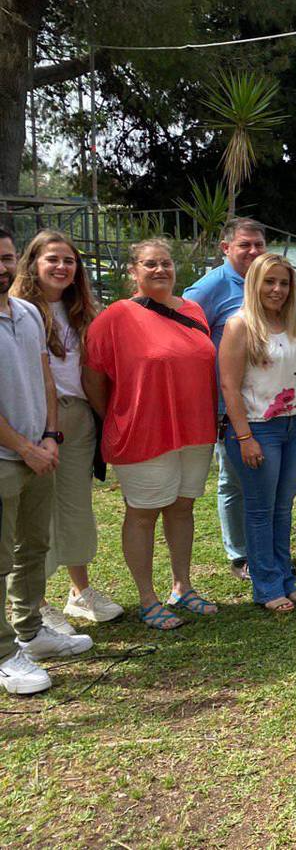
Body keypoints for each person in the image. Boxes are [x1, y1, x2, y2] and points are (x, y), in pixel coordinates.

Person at [84, 238, 219, 631]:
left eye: (165, 263)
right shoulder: (115, 317)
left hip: (194, 428)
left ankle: (183, 586)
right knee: (142, 514)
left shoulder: (192, 309)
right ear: (133, 271)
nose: (160, 270)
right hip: (143, 430)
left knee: (182, 507)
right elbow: (94, 376)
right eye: (150, 264)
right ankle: (148, 598)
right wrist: (115, 413)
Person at [11, 231, 122, 631]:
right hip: (34, 420)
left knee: (76, 506)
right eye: (52, 259)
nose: (61, 267)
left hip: (77, 417)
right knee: (34, 514)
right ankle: (35, 601)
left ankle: (80, 592)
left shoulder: (85, 312)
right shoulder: (19, 311)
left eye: (69, 261)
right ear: (33, 263)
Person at [1, 227, 90, 695]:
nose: (2, 266)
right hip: (10, 450)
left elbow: (45, 381)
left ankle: (30, 633)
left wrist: (50, 436)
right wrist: (25, 445)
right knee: (3, 553)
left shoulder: (26, 314)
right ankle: (4, 652)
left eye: (6, 256)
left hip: (44, 441)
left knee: (32, 543)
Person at [219, 253, 296, 612]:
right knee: (260, 510)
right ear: (254, 284)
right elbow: (229, 386)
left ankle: (285, 576)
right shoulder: (240, 325)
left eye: (284, 283)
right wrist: (244, 437)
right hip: (259, 428)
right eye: (269, 282)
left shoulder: (293, 326)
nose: (277, 289)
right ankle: (267, 584)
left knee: (283, 508)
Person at [183, 217, 266, 581]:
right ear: (225, 248)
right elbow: (182, 334)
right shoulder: (209, 288)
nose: (252, 251)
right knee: (233, 481)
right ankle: (240, 554)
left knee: (263, 479)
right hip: (227, 404)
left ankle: (263, 546)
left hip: (266, 402)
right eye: (244, 244)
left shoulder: (263, 282)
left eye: (258, 245)